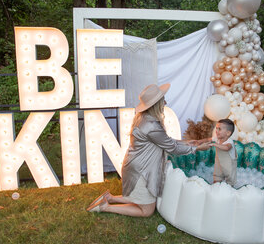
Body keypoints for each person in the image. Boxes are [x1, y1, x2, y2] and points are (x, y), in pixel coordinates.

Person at [86, 83, 209, 217]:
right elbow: (172, 147)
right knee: (147, 211)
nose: (165, 102)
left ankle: (110, 198)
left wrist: (190, 142)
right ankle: (105, 207)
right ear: (156, 105)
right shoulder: (151, 126)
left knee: (142, 200)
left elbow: (166, 141)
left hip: (136, 167)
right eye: (163, 100)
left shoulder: (144, 118)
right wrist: (196, 148)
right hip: (141, 171)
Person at [195, 119, 237, 186]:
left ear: (228, 133)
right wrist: (199, 141)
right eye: (216, 128)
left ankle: (230, 186)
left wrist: (215, 144)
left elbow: (226, 148)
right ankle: (216, 184)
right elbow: (208, 139)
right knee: (217, 173)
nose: (216, 131)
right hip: (219, 161)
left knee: (230, 175)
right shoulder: (217, 138)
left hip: (229, 163)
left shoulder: (229, 142)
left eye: (219, 129)